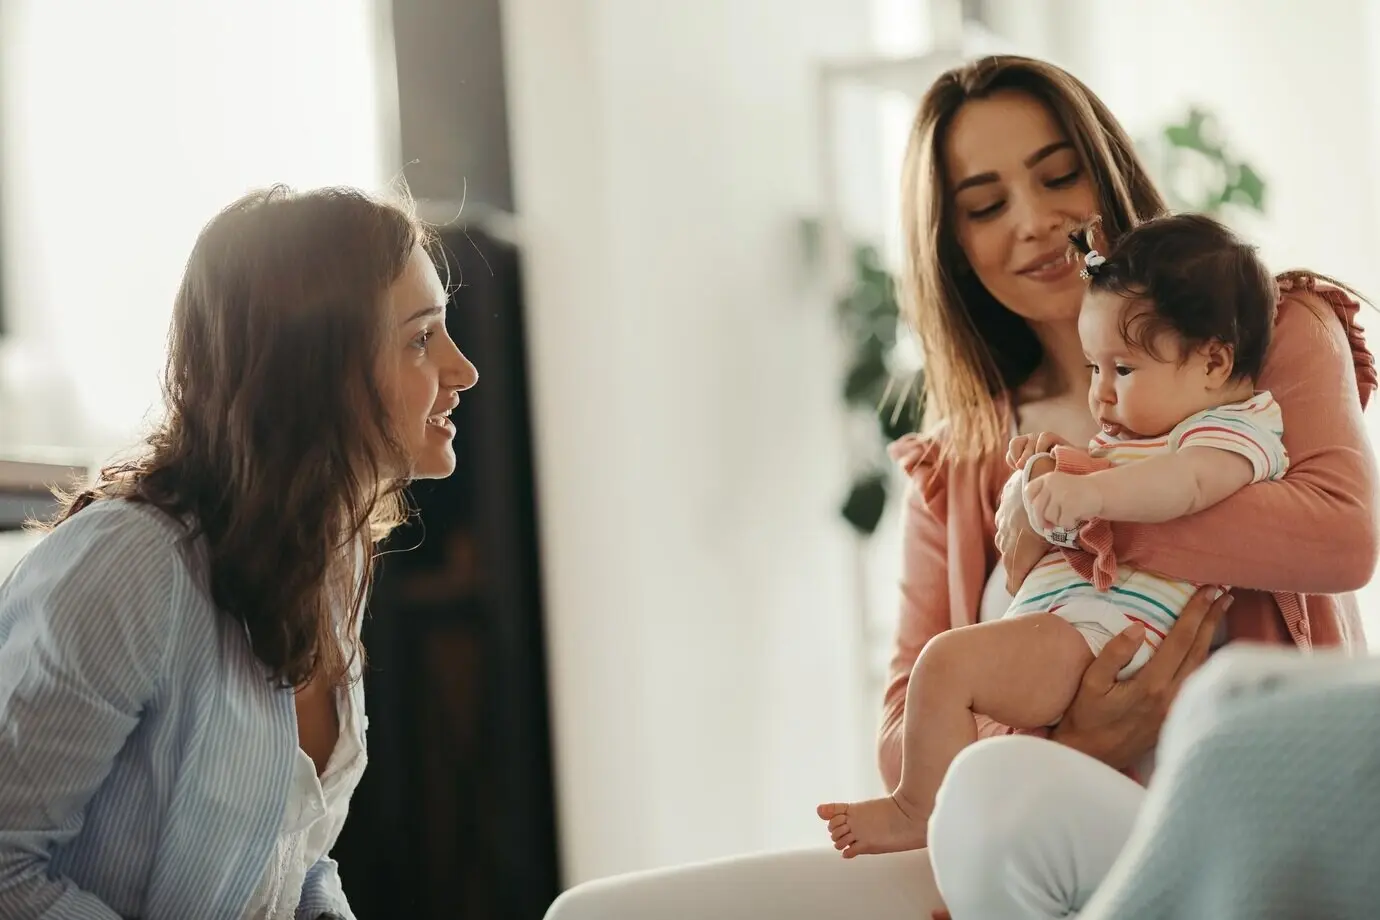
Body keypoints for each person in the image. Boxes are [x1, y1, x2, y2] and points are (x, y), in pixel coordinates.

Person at [542, 54, 1375, 920]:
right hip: (1024, 834)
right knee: (594, 917)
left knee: (996, 796)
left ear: (1111, 172)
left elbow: (1339, 536)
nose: (1035, 221)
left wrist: (1076, 511)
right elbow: (906, 725)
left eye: (1060, 176)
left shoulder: (1259, 341)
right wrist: (1074, 736)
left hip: (1235, 842)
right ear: (954, 246)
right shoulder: (961, 465)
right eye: (985, 206)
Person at [0, 185, 479, 920]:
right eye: (421, 338)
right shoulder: (129, 566)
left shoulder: (328, 554)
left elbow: (293, 856)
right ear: (314, 368)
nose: (462, 371)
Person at [818, 212, 1293, 857]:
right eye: (1094, 368)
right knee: (948, 676)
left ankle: (917, 807)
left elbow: (1185, 488)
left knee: (948, 663)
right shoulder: (1134, 438)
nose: (1101, 395)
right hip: (1076, 624)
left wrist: (1088, 490)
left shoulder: (1230, 432)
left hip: (1106, 639)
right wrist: (1046, 482)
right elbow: (1084, 519)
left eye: (1121, 370)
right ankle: (949, 807)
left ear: (1214, 361)